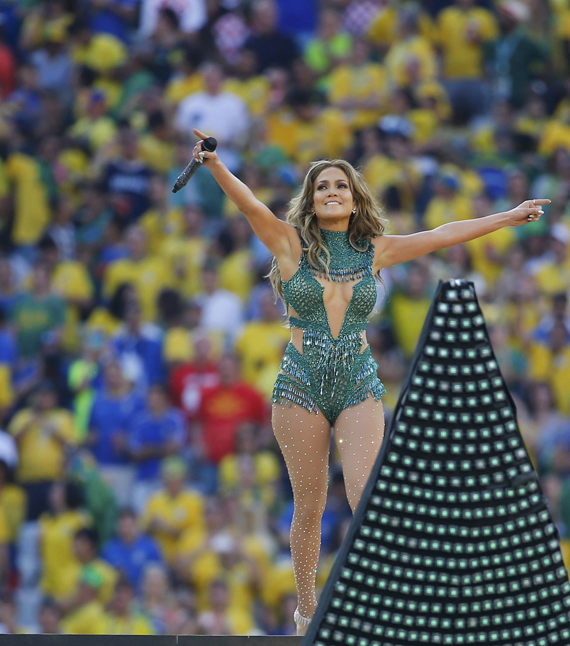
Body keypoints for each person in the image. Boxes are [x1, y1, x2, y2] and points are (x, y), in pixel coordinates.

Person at [188, 128, 548, 635]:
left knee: (366, 499)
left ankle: (378, 606)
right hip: (301, 386)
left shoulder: (375, 250)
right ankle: (307, 612)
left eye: (341, 185)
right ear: (311, 201)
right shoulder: (289, 244)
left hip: (358, 383)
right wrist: (214, 164)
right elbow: (250, 205)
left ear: (355, 199)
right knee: (309, 505)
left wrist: (508, 216)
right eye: (322, 186)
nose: (332, 191)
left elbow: (443, 234)